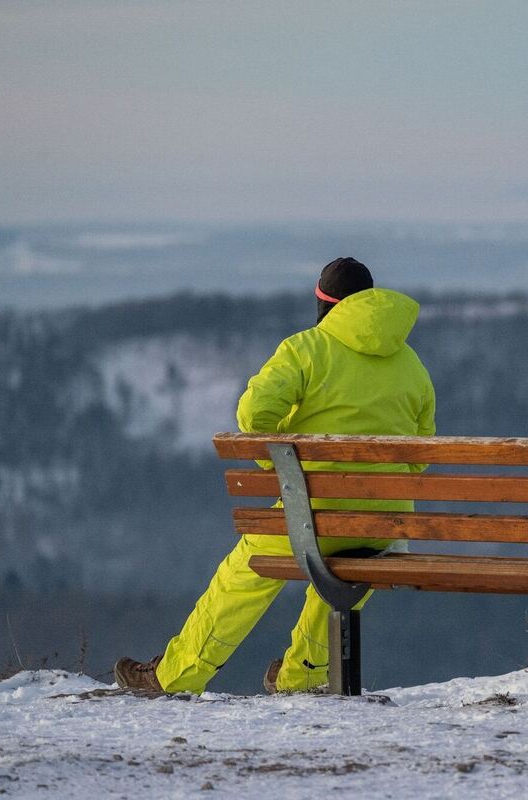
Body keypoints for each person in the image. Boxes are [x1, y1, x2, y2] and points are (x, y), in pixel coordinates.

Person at [114, 257, 436, 694]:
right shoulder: (410, 364)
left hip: (311, 515)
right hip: (384, 524)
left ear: (324, 304)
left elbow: (253, 414)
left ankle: (175, 676)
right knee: (348, 572)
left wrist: (285, 466)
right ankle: (302, 675)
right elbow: (420, 452)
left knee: (243, 574)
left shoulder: (307, 349)